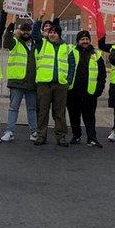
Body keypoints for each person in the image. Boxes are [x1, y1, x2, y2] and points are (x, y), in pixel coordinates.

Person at [34, 19, 75, 147]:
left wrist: (68, 81)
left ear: (59, 34)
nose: (52, 34)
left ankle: (61, 137)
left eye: (55, 32)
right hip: (44, 84)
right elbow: (35, 34)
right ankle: (41, 136)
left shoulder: (67, 48)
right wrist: (38, 20)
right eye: (50, 32)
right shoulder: (42, 44)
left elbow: (72, 66)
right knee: (42, 112)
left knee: (60, 113)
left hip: (60, 85)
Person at [0, 16, 40, 142]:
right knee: (13, 108)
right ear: (19, 31)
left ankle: (34, 132)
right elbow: (6, 42)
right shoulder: (15, 42)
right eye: (24, 30)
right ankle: (10, 131)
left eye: (28, 30)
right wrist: (11, 27)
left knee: (32, 108)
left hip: (32, 82)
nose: (26, 32)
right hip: (17, 82)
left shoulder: (37, 44)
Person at [68, 30, 106, 147]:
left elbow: (102, 75)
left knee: (89, 117)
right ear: (78, 41)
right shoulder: (71, 52)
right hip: (73, 90)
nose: (85, 41)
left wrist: (99, 89)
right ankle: (76, 135)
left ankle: (92, 138)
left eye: (87, 39)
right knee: (74, 115)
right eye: (82, 39)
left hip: (90, 91)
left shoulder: (97, 55)